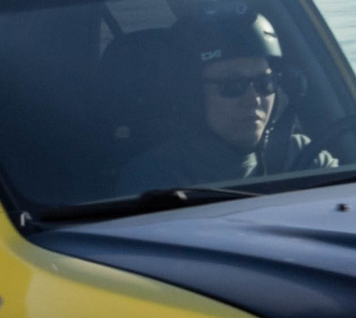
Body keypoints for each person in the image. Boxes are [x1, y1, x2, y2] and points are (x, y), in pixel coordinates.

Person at [116, 13, 329, 193]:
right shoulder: (154, 181)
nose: (253, 99)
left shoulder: (302, 155)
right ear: (192, 97)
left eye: (265, 82)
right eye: (232, 85)